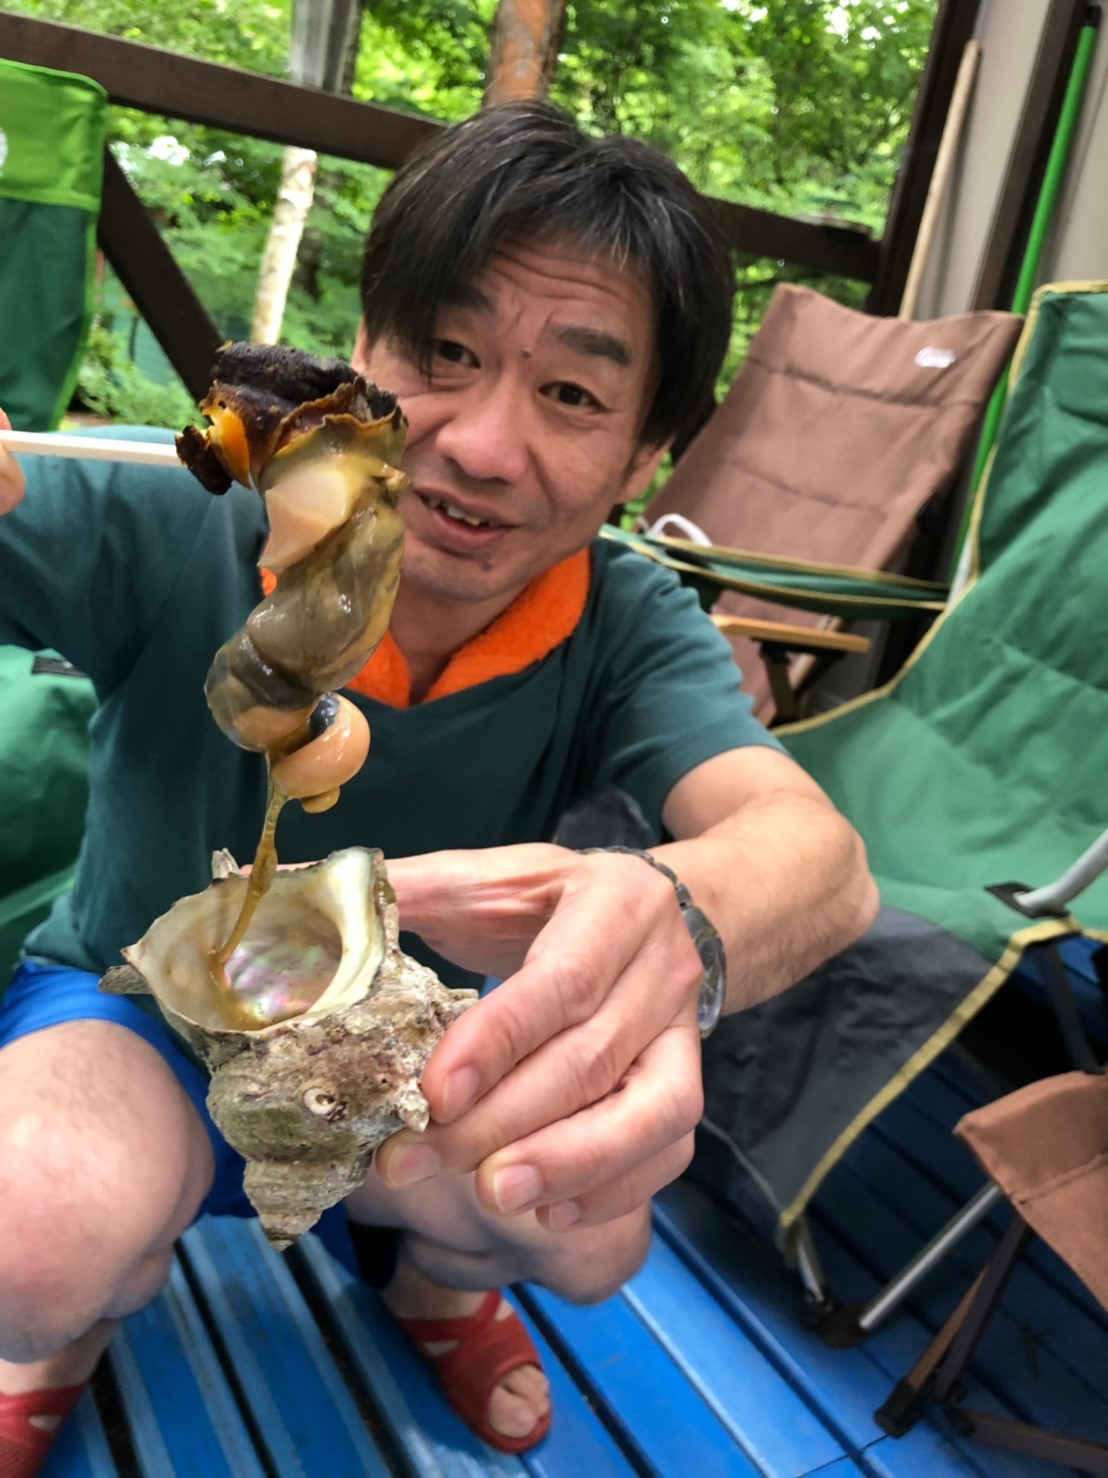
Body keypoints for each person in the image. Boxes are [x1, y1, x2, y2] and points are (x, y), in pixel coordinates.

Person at [0, 101, 878, 1471]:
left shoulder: (625, 622)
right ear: (362, 355)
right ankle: (71, 1312)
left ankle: (432, 1281)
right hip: (133, 1015)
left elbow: (813, 853)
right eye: (446, 354)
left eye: (574, 394)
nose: (481, 445)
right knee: (30, 1243)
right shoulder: (195, 509)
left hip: (395, 1057)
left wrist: (682, 917)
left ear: (646, 456)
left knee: (588, 1227)